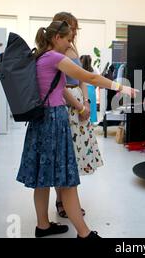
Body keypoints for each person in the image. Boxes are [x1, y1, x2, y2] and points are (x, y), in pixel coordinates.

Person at [16, 20, 136, 238]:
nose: (70, 44)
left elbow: (60, 90)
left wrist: (80, 106)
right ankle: (84, 233)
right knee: (67, 180)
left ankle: (42, 226)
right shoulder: (54, 57)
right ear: (56, 38)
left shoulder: (41, 57)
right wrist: (121, 87)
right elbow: (88, 77)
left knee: (41, 179)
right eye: (68, 39)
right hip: (53, 121)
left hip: (41, 121)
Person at [51, 12, 99, 219]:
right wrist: (79, 106)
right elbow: (59, 86)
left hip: (78, 103)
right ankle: (62, 201)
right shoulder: (56, 49)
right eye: (71, 27)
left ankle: (68, 200)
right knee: (63, 155)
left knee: (74, 156)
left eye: (75, 27)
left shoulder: (72, 48)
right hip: (66, 105)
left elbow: (82, 78)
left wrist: (86, 102)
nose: (74, 31)